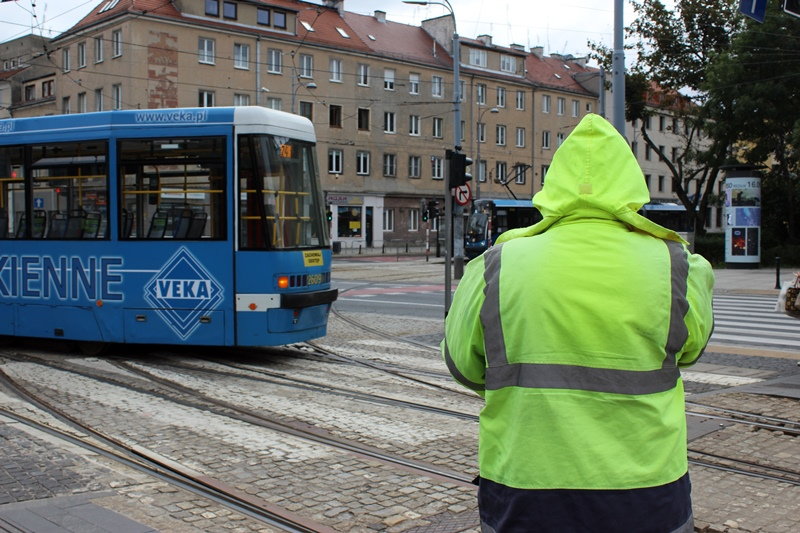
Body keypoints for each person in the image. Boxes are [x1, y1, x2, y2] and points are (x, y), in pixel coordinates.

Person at [442, 113, 714, 533]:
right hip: (648, 489)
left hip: (525, 484)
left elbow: (463, 364)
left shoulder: (497, 264)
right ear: (629, 182)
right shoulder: (677, 263)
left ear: (555, 184)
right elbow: (689, 349)